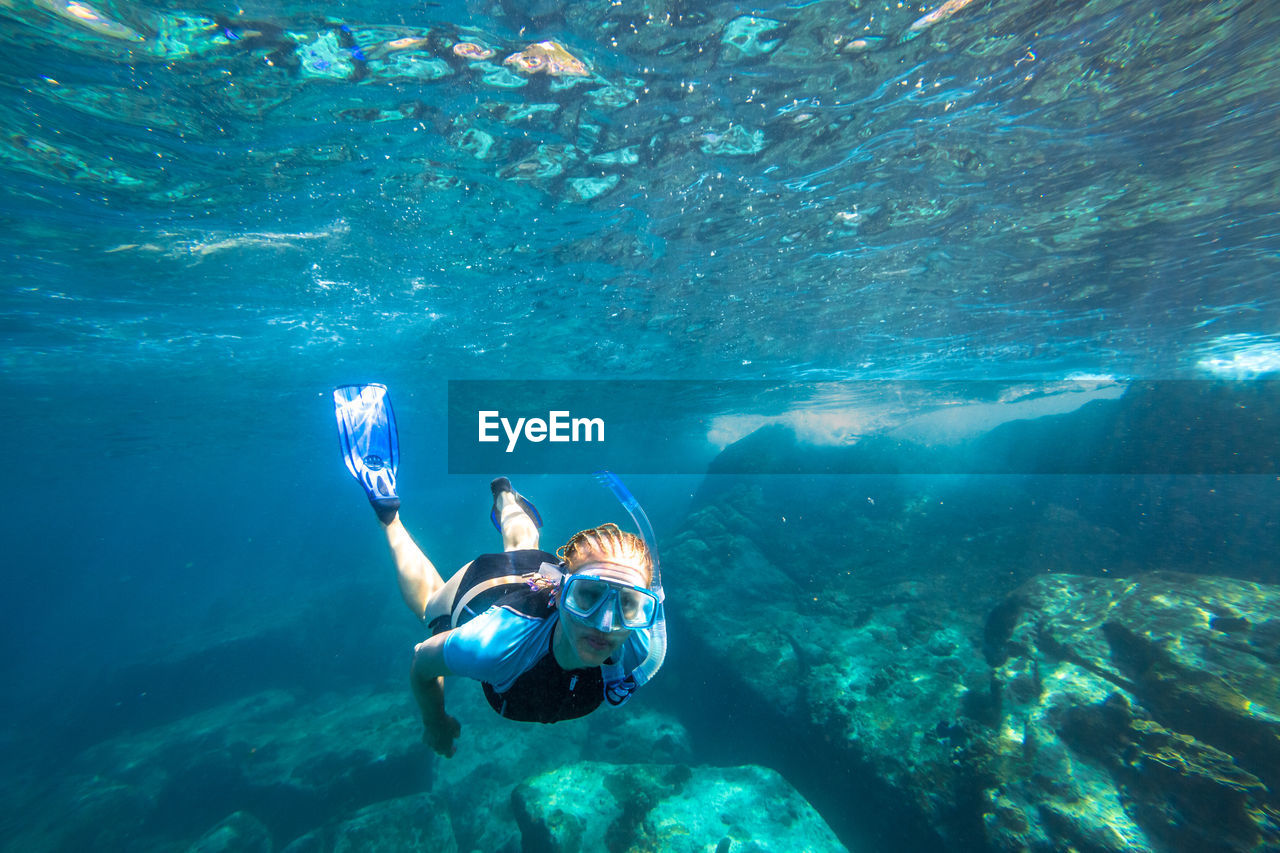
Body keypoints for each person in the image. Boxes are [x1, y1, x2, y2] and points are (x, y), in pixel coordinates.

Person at [333, 384, 666, 757]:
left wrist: (590, 595)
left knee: (524, 549)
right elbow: (422, 661)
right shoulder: (492, 643)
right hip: (480, 588)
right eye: (588, 596)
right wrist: (435, 722)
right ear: (558, 591)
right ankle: (389, 517)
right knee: (430, 605)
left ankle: (505, 493)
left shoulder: (643, 643)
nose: (606, 622)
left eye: (629, 604)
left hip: (533, 568)